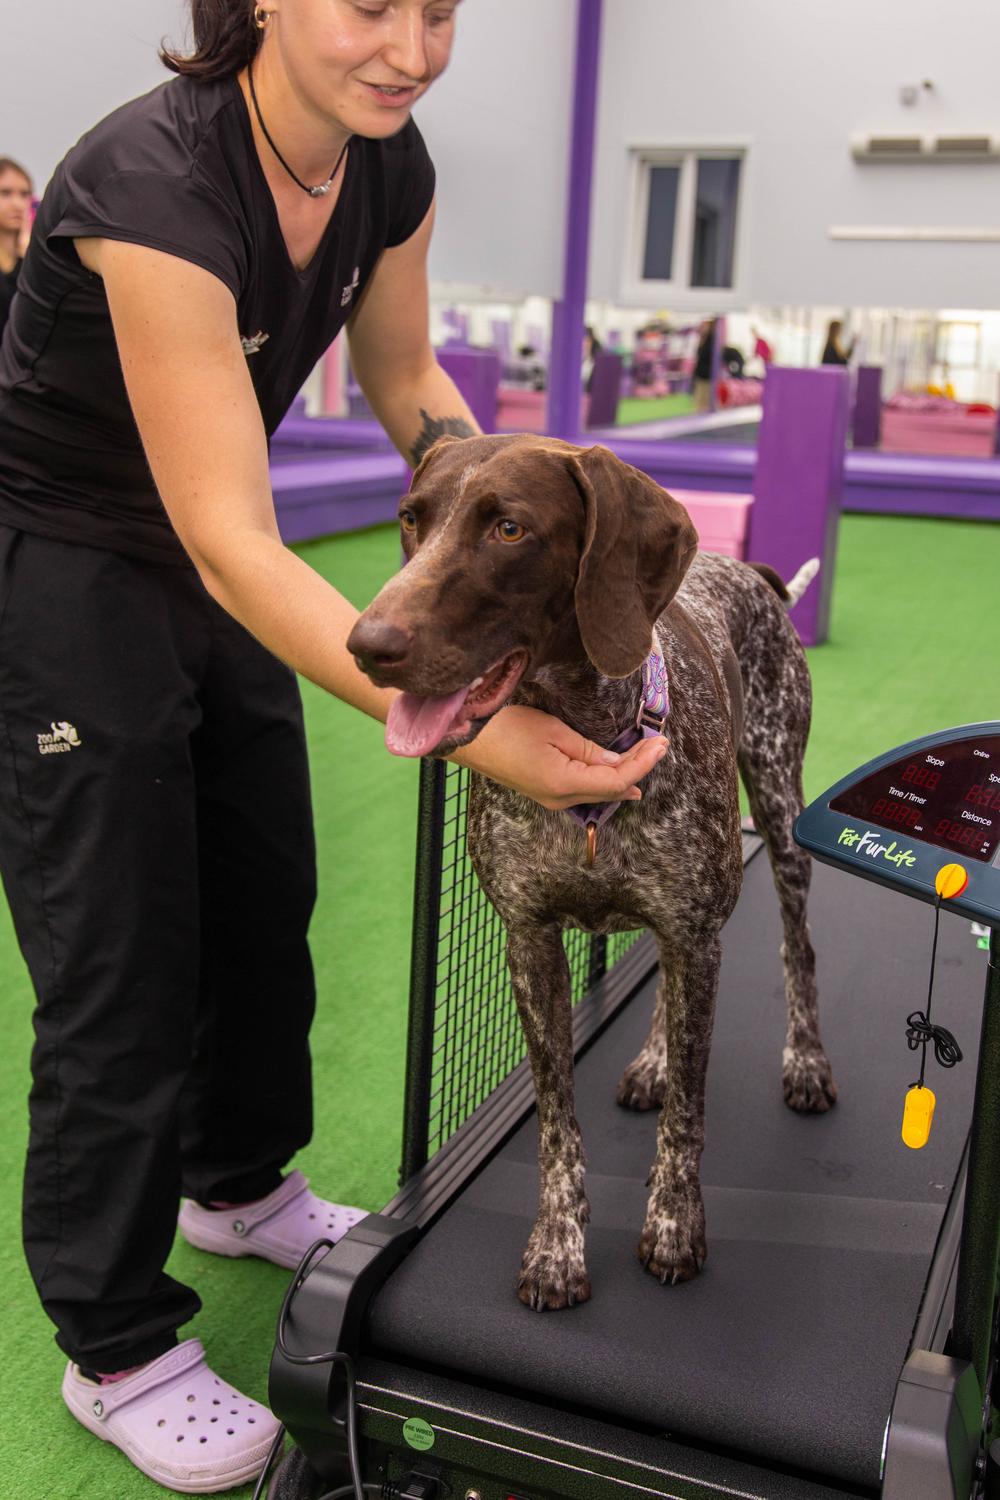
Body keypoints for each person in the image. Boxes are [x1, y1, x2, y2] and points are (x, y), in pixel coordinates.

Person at [0, 1, 666, 1492]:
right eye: (372, 5)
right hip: (66, 568)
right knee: (118, 954)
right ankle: (115, 1344)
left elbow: (410, 390)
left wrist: (551, 532)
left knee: (262, 893)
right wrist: (474, 730)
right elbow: (231, 538)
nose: (412, 47)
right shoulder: (150, 185)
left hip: (216, 557)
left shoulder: (385, 161)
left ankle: (233, 1186)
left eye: (438, 10)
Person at [0, 156, 33, 341]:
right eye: (5, 193)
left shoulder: (33, 257)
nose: (18, 204)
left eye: (24, 194)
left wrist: (27, 257)